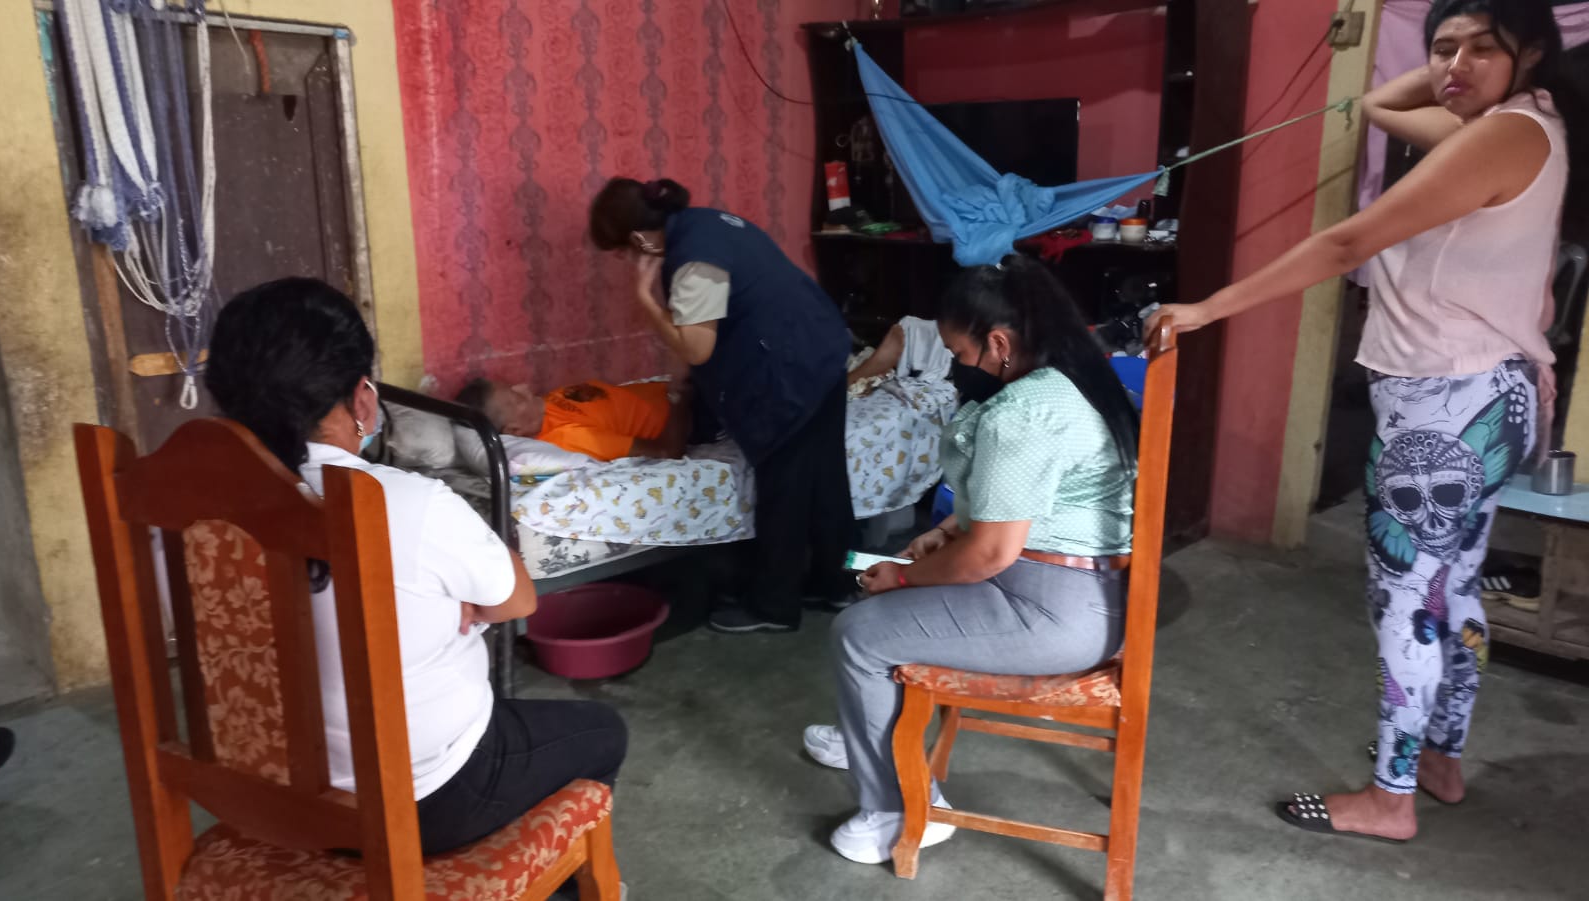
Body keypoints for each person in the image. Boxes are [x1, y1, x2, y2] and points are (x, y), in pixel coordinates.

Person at [1147, 0, 1576, 842]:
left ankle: (1390, 797)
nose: (1454, 66)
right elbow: (1378, 105)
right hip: (1491, 394)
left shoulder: (1499, 134)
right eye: (1442, 47)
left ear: (1530, 52)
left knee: (1407, 597)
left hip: (1442, 404)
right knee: (1454, 587)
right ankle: (1439, 760)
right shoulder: (1526, 124)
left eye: (1481, 48)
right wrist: (1457, 67)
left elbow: (1347, 245)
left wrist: (1207, 308)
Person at [206, 278, 628, 855]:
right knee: (603, 733)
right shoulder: (405, 503)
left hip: (257, 790)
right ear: (362, 399)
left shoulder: (185, 505)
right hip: (421, 802)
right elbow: (518, 599)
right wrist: (459, 598)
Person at [802, 257, 1140, 864]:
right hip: (1087, 593)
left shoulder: (1022, 413)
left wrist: (904, 574)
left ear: (1000, 344)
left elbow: (990, 553)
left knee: (858, 633)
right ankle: (868, 732)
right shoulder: (1073, 378)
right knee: (889, 604)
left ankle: (901, 812)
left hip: (1052, 611)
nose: (958, 366)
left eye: (961, 353)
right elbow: (1030, 497)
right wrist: (948, 531)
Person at [589, 177, 855, 633]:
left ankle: (774, 606)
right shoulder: (705, 222)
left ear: (638, 239)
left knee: (785, 488)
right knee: (827, 480)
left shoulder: (693, 262)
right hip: (821, 347)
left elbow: (697, 348)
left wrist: (645, 300)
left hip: (790, 370)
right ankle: (837, 583)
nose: (623, 261)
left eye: (620, 252)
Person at [455, 375, 693, 462]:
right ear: (515, 431)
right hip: (693, 412)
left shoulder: (542, 408)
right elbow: (667, 451)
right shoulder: (567, 437)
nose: (525, 387)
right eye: (516, 398)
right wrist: (679, 395)